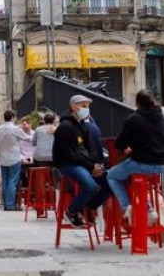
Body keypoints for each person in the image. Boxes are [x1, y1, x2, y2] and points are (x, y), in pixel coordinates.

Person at [106, 89, 164, 230]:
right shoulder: (161, 118)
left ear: (137, 103)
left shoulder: (133, 119)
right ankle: (150, 210)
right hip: (162, 164)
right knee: (134, 178)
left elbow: (119, 144)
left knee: (112, 175)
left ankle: (126, 207)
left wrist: (128, 148)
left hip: (143, 163)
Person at [53, 94, 111, 228]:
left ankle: (86, 208)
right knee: (90, 185)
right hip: (67, 164)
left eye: (88, 106)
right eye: (84, 106)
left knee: (111, 182)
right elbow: (71, 154)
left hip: (81, 163)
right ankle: (72, 211)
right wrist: (91, 167)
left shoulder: (81, 126)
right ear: (73, 107)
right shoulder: (66, 127)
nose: (87, 109)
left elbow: (85, 150)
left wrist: (95, 166)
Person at [0, 110, 31, 211]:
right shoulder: (15, 129)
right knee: (12, 181)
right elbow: (27, 138)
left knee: (5, 181)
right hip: (14, 157)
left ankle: (6, 203)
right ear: (13, 117)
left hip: (2, 158)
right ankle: (10, 205)